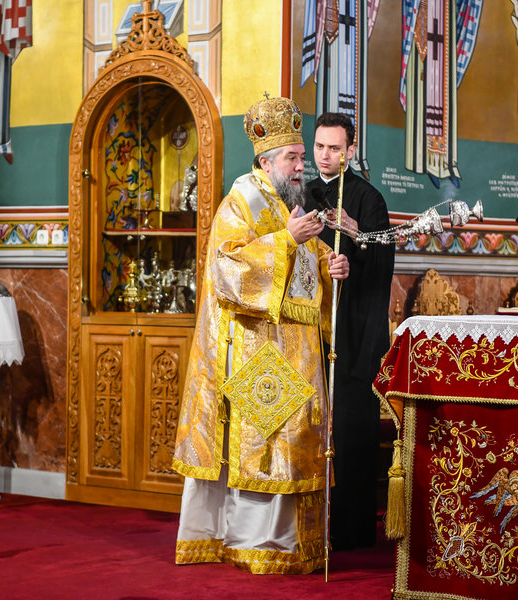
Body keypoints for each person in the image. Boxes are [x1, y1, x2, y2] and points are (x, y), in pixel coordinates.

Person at [172, 95, 350, 575]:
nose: (301, 166)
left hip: (294, 346)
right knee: (265, 441)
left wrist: (330, 267)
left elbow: (304, 265)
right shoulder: (241, 202)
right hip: (253, 348)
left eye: (300, 156)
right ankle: (253, 542)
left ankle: (291, 544)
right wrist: (288, 241)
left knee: (294, 440)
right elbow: (226, 268)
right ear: (266, 162)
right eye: (292, 158)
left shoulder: (289, 202)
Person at [303, 112, 395, 550]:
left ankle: (351, 531)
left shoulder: (369, 198)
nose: (325, 155)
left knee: (350, 431)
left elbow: (381, 266)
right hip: (311, 330)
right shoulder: (302, 194)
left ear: (351, 150)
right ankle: (309, 525)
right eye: (319, 147)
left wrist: (356, 241)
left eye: (335, 148)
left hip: (354, 333)